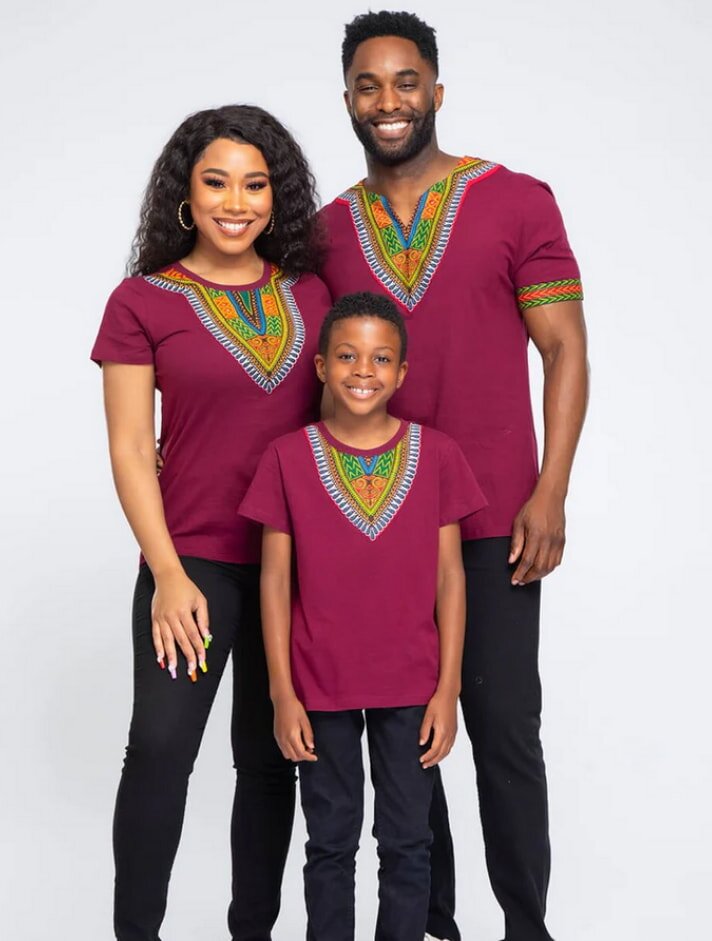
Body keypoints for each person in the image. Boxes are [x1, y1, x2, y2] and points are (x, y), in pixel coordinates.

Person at [318, 12, 589, 941]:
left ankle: (525, 924)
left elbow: (565, 349)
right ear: (347, 100)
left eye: (405, 82)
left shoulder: (518, 201)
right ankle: (430, 920)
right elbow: (305, 380)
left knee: (505, 726)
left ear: (437, 90)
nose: (387, 101)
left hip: (495, 518)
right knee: (402, 731)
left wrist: (550, 489)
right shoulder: (324, 231)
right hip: (374, 524)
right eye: (368, 85)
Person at [91, 104, 331, 941]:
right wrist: (166, 573)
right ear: (186, 196)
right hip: (191, 561)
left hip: (295, 568)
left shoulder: (312, 294)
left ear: (277, 196)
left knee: (269, 760)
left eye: (255, 185)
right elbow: (130, 447)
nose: (237, 202)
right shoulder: (141, 302)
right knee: (160, 750)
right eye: (217, 182)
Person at [239, 292, 487, 941]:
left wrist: (448, 690)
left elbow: (451, 578)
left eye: (380, 358)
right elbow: (274, 580)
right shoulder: (287, 457)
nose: (363, 371)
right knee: (330, 842)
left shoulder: (438, 454)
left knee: (407, 841)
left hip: (413, 685)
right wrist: (282, 693)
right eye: (347, 356)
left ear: (402, 372)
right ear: (322, 366)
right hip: (318, 686)